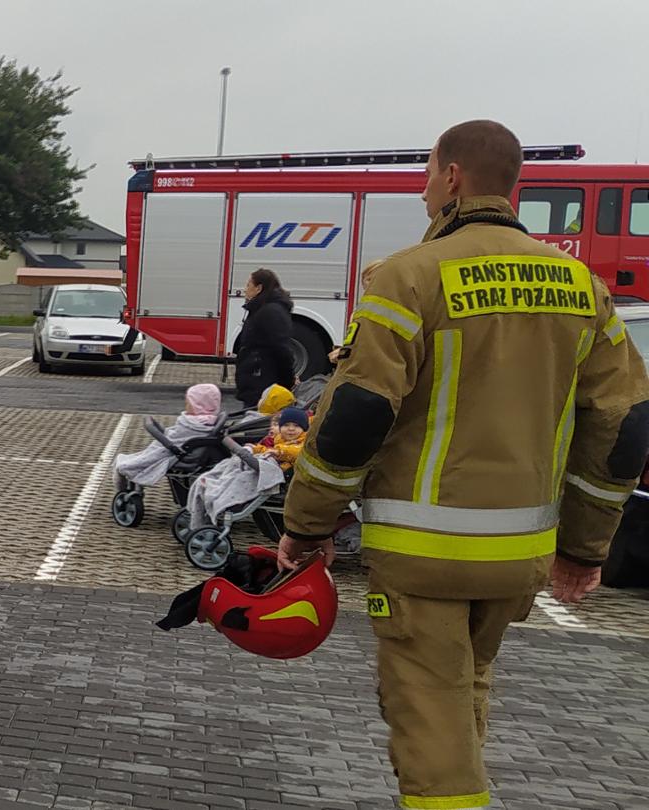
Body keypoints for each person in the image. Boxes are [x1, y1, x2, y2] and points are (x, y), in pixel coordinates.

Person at [278, 120, 649, 810]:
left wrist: (307, 525)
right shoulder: (583, 289)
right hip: (521, 558)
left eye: (425, 174)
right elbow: (624, 428)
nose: (422, 192)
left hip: (424, 554)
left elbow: (357, 413)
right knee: (465, 690)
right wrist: (585, 547)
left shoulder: (408, 279)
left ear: (451, 178)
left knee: (429, 723)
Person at [114, 384, 223, 486]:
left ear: (197, 405)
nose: (186, 405)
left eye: (188, 403)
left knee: (132, 462)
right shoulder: (213, 422)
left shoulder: (190, 425)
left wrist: (163, 434)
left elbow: (174, 440)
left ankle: (126, 472)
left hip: (180, 456)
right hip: (197, 454)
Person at [233, 268, 297, 410]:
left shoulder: (270, 312)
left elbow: (281, 349)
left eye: (248, 285)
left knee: (256, 424)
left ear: (259, 288)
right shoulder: (263, 309)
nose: (245, 290)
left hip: (262, 383)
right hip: (258, 380)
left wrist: (289, 379)